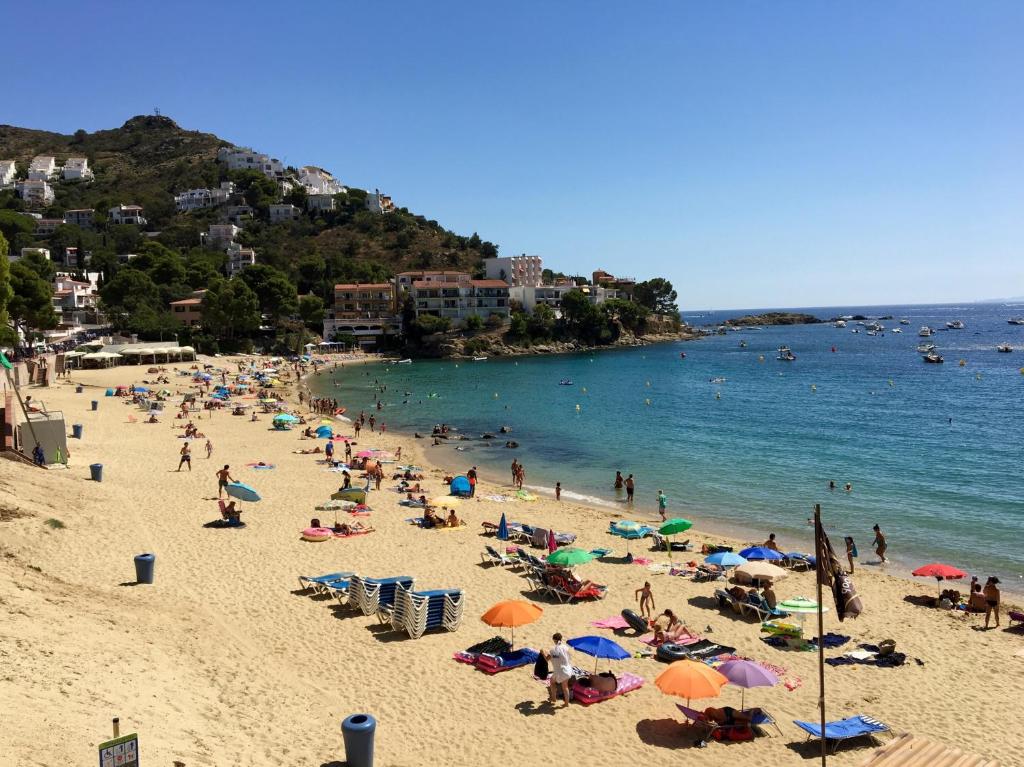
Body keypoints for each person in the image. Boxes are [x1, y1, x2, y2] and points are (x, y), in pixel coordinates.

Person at [544, 633, 573, 707]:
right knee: (565, 687)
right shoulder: (566, 647)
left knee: (552, 682)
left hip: (559, 671)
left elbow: (547, 659)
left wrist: (543, 653)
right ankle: (566, 703)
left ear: (554, 640)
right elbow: (569, 657)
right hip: (567, 670)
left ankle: (554, 698)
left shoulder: (552, 649)